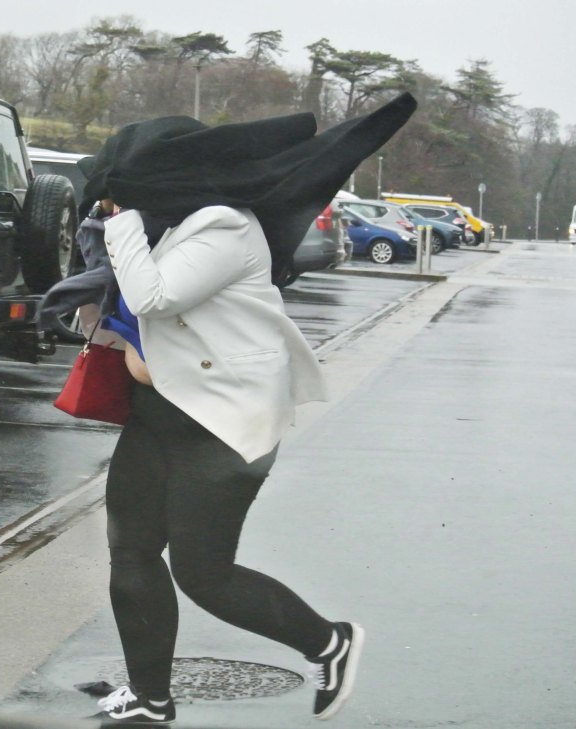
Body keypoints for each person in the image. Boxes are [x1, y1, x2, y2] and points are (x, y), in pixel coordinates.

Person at [50, 95, 417, 724]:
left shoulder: (224, 225)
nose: (109, 200)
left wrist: (121, 224)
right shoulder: (169, 226)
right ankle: (150, 698)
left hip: (219, 430)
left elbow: (156, 297)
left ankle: (330, 643)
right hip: (158, 415)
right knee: (130, 552)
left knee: (204, 574)